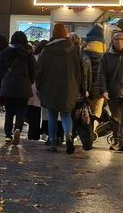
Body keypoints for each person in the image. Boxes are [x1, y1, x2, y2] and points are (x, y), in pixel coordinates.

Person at [34, 21, 88, 153]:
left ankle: (52, 141)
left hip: (50, 86)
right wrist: (81, 88)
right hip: (69, 87)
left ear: (53, 33)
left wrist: (39, 85)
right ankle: (68, 136)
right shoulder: (74, 50)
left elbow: (39, 70)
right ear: (65, 34)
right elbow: (80, 71)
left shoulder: (46, 49)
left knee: (52, 115)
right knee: (66, 114)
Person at [0, 31, 36, 142]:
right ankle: (17, 128)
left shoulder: (5, 52)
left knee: (9, 111)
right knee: (21, 111)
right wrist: (29, 81)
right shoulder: (29, 54)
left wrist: (4, 79)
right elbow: (33, 71)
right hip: (24, 86)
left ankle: (8, 135)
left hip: (8, 86)